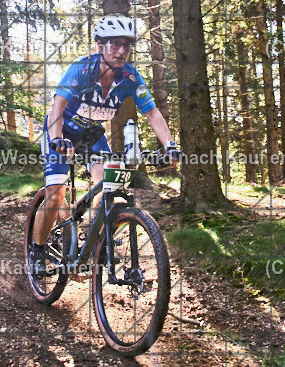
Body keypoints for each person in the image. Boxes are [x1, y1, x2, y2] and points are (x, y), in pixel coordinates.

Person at [29, 14, 181, 276]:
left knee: (109, 184)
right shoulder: (81, 69)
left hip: (92, 135)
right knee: (55, 193)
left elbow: (153, 113)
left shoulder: (130, 77)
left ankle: (96, 241)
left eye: (127, 45)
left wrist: (169, 145)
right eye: (115, 44)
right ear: (100, 45)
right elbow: (57, 106)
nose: (122, 51)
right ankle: (37, 251)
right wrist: (56, 139)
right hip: (61, 130)